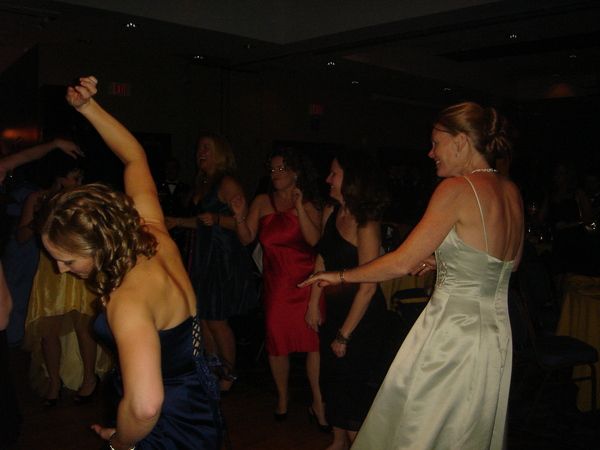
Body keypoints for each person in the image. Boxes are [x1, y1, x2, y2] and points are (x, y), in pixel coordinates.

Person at [301, 102, 524, 450]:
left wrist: (340, 276)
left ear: (461, 142)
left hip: (453, 331)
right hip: (494, 334)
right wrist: (447, 260)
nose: (430, 152)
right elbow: (509, 263)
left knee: (419, 426)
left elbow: (402, 263)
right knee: (464, 428)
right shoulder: (510, 190)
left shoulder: (456, 188)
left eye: (436, 143)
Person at [38, 76, 222, 449]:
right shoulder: (151, 229)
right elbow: (134, 156)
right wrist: (88, 107)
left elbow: (144, 405)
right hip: (196, 398)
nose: (60, 269)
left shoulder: (128, 298)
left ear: (98, 245)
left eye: (67, 260)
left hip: (167, 422)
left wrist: (120, 443)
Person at [230, 147, 327, 425]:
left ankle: (318, 401)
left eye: (281, 169)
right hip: (278, 286)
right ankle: (283, 397)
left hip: (308, 284)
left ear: (295, 172)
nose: (275, 174)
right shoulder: (262, 201)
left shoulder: (310, 203)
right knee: (277, 343)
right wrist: (239, 215)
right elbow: (246, 238)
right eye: (272, 169)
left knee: (313, 343)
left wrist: (299, 207)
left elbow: (314, 241)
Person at [304, 150, 391, 449]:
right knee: (333, 382)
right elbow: (322, 259)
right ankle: (338, 441)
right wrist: (313, 302)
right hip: (335, 310)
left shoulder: (367, 224)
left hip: (361, 319)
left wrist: (344, 335)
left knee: (353, 389)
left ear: (352, 179)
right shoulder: (333, 211)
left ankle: (356, 443)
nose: (328, 179)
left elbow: (368, 286)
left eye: (334, 174)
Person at [166, 134, 257, 393]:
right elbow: (202, 222)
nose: (201, 152)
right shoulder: (203, 183)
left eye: (207, 148)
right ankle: (212, 372)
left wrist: (218, 219)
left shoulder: (227, 183)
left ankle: (228, 376)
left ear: (220, 153)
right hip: (203, 256)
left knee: (216, 319)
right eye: (199, 148)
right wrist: (177, 221)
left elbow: (244, 224)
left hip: (222, 257)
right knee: (203, 319)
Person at [22, 152, 111, 405]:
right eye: (74, 177)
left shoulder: (82, 200)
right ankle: (54, 382)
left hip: (79, 267)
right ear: (59, 177)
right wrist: (41, 220)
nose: (77, 181)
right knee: (48, 330)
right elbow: (20, 237)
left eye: (80, 177)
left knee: (85, 326)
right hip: (51, 270)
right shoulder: (38, 198)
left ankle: (89, 380)